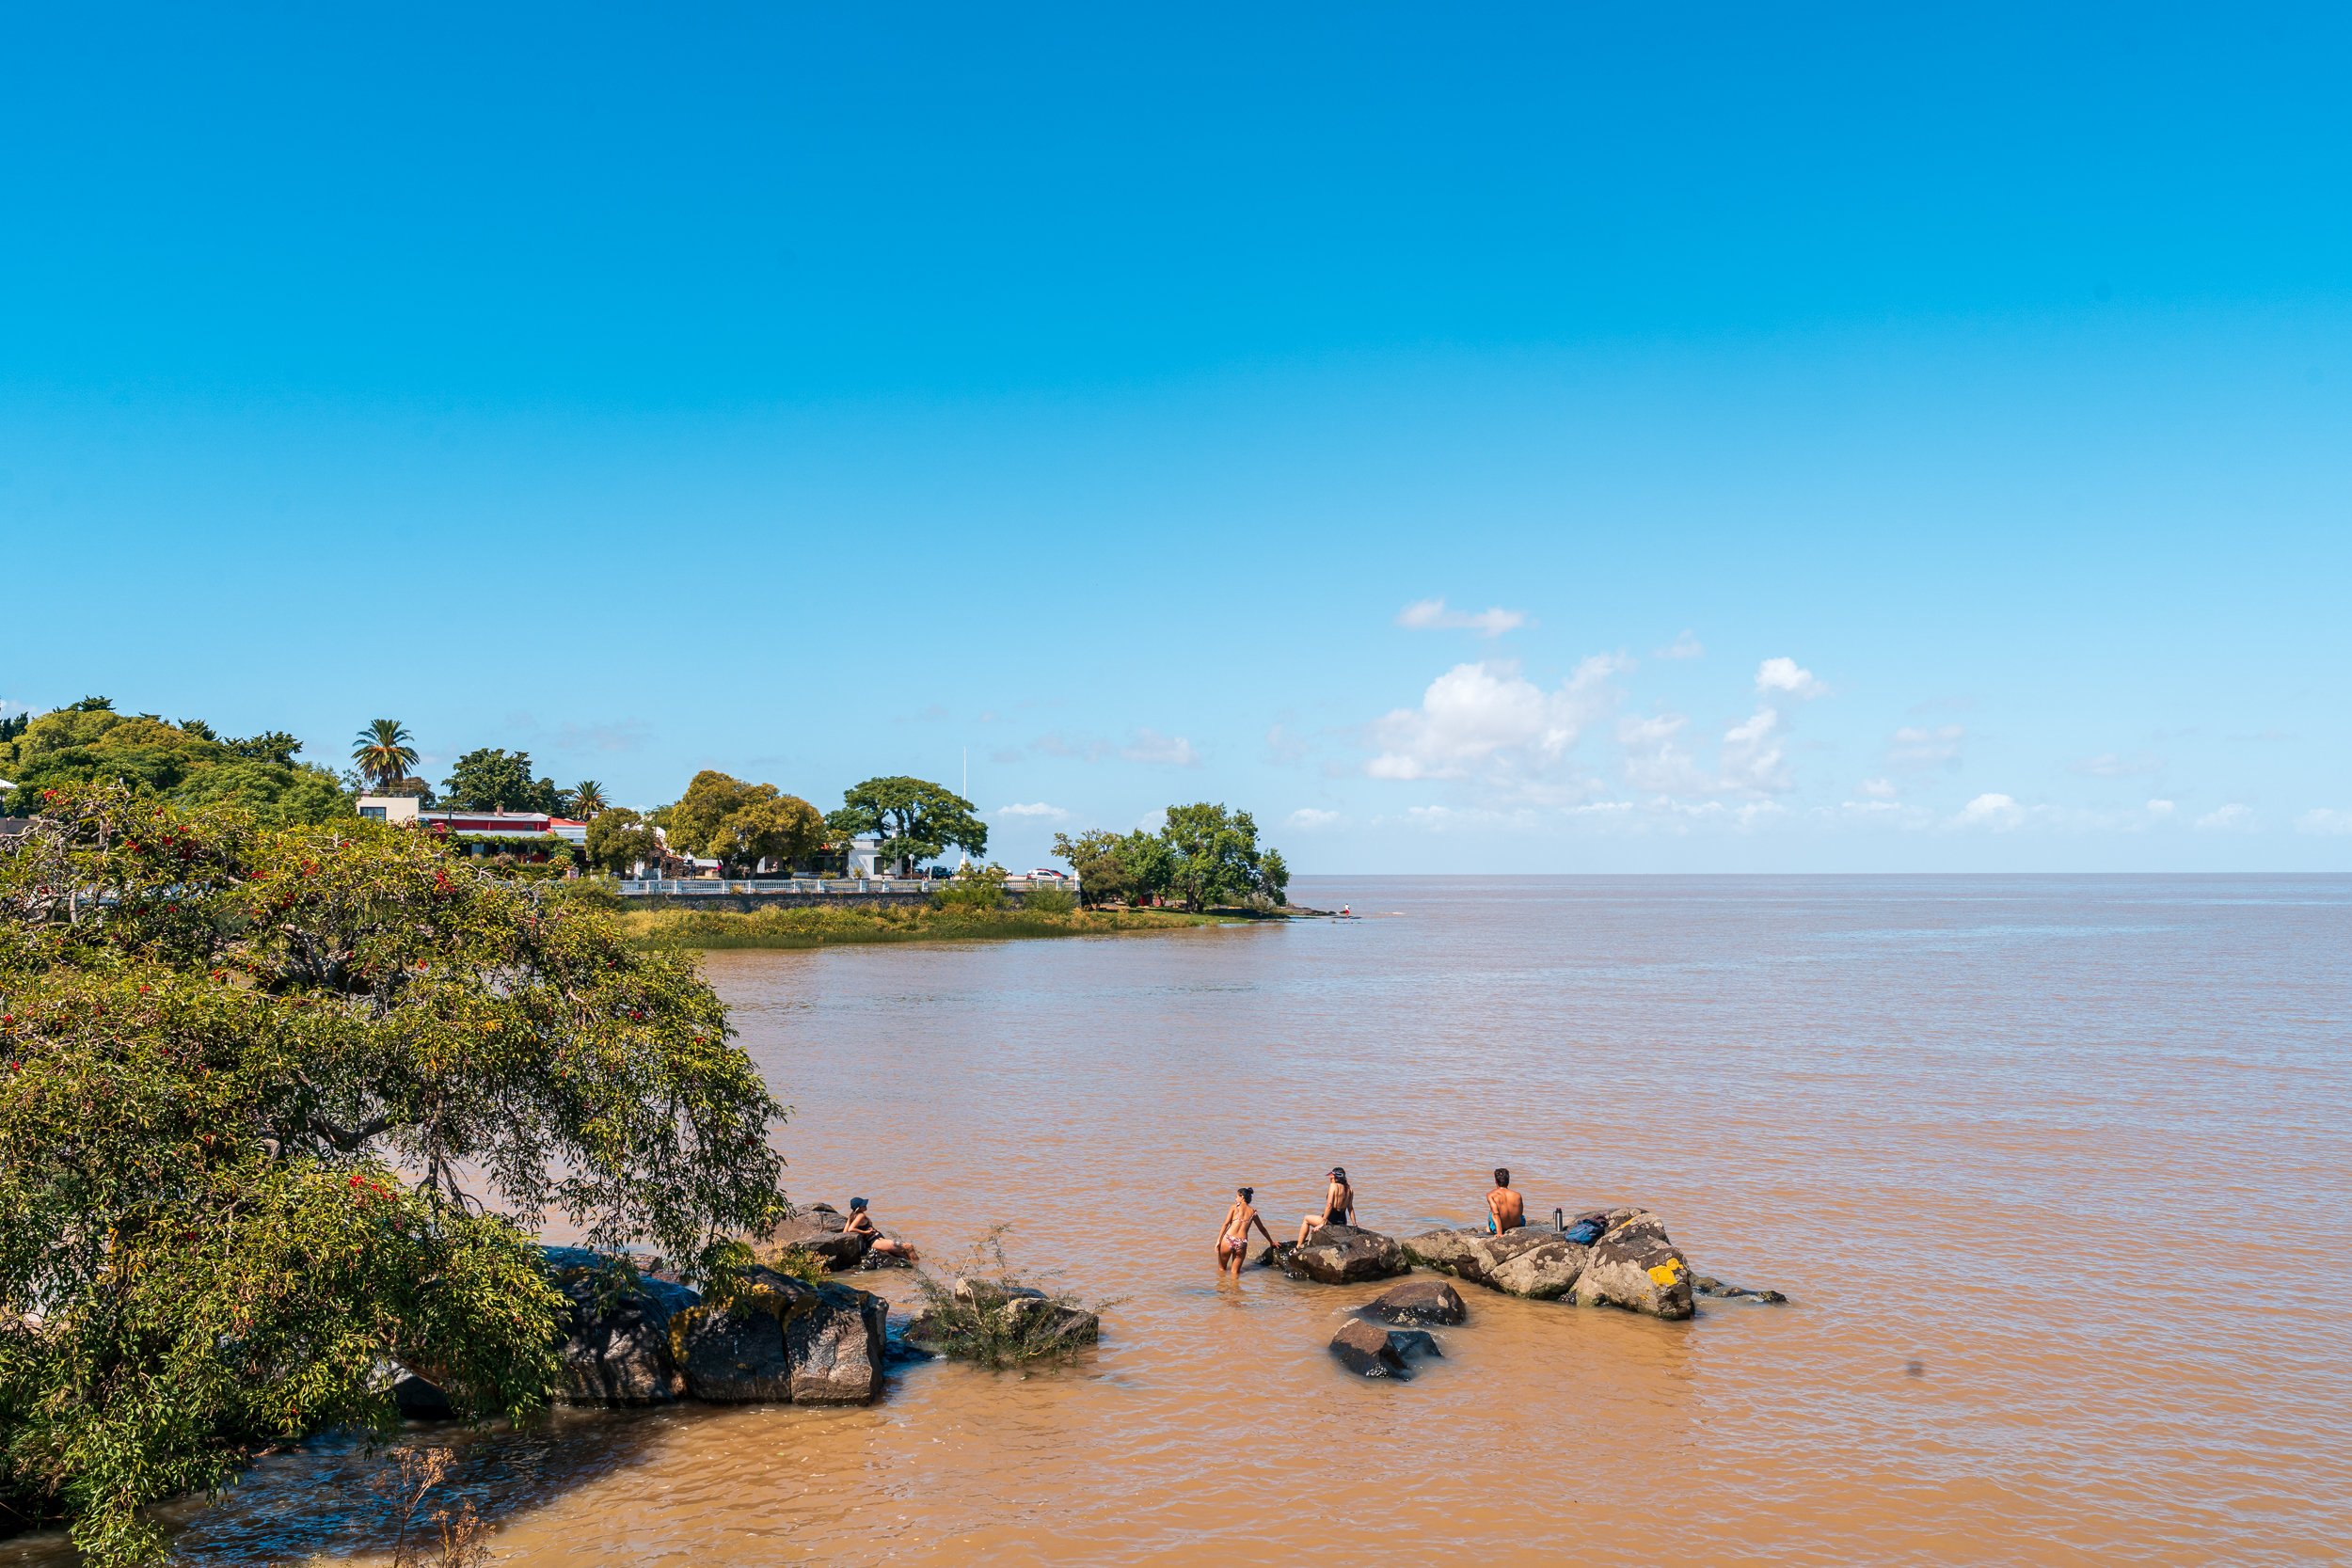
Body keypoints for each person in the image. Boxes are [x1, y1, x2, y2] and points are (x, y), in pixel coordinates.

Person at [1217, 1186, 1275, 1278]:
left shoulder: (1234, 1207)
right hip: (1241, 1242)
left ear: (1242, 1197)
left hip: (1228, 1239)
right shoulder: (1253, 1212)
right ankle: (1234, 1287)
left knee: (1221, 1269)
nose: (1235, 1199)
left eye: (1236, 1196)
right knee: (1235, 1274)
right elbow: (1262, 1229)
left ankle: (1222, 1286)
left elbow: (1225, 1224)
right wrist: (1271, 1242)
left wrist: (1218, 1241)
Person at [844, 1196, 919, 1263]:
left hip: (877, 1240)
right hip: (875, 1241)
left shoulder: (852, 1216)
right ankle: (918, 1267)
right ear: (859, 1208)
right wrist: (865, 1232)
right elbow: (850, 1229)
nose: (866, 1205)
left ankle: (913, 1267)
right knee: (909, 1247)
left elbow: (845, 1232)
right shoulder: (861, 1215)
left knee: (904, 1255)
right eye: (863, 1205)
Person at [1296, 1166, 1355, 1245]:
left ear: (1336, 1177)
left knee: (1306, 1219)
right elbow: (1350, 1208)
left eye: (1331, 1177)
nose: (1330, 1179)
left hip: (1331, 1222)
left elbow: (1329, 1205)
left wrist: (1322, 1223)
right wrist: (1355, 1225)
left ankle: (1298, 1247)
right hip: (1343, 1222)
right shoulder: (1349, 1189)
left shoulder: (1333, 1186)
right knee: (1321, 1216)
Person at [1486, 1168, 1525, 1234]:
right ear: (1508, 1180)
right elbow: (1520, 1213)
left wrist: (1499, 1233)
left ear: (1495, 1181)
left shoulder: (1491, 1195)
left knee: (1491, 1213)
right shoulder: (1518, 1195)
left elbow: (1495, 1214)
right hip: (1518, 1225)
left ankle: (1488, 1229)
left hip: (1502, 1228)